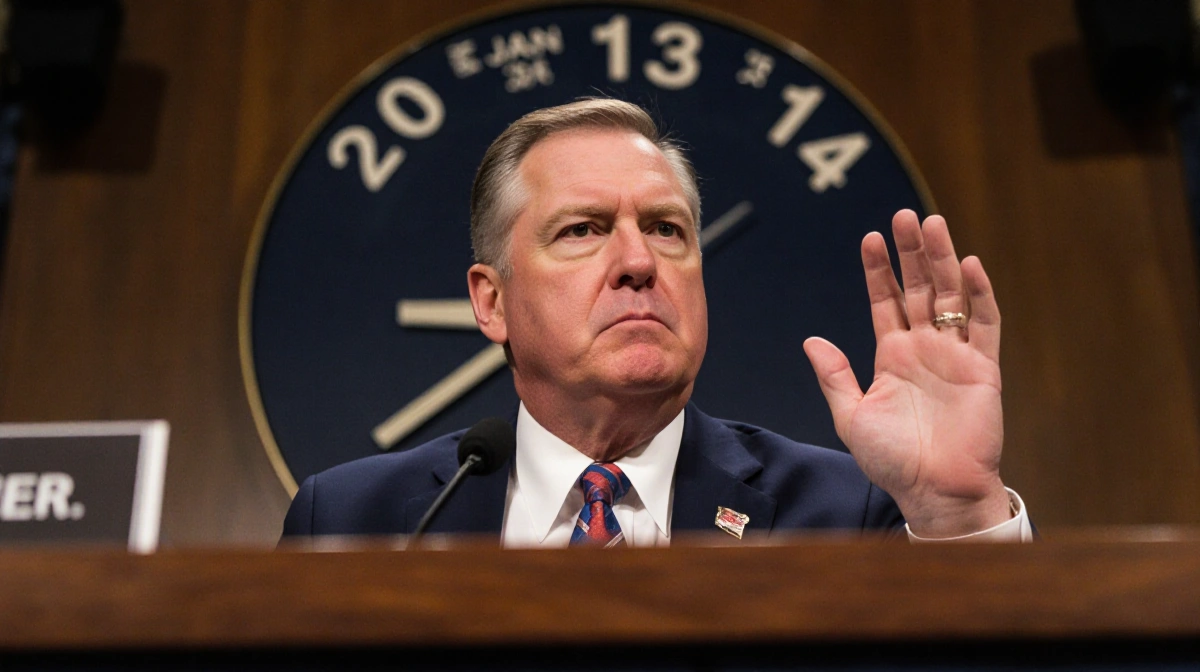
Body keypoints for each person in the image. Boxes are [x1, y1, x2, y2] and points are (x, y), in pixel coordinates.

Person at [282, 99, 1032, 546]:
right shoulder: (355, 521)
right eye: (582, 230)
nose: (639, 260)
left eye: (668, 229)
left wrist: (958, 513)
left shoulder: (849, 512)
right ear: (491, 301)